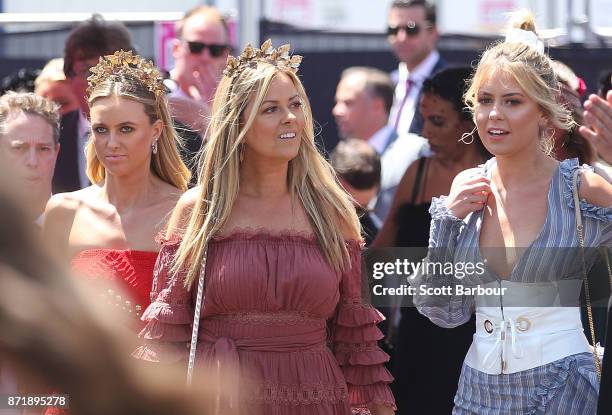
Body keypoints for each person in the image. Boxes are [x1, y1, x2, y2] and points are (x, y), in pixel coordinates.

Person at [135, 40, 396, 415]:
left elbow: (356, 340)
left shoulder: (332, 210)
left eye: (295, 105)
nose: (289, 117)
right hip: (222, 398)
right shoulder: (200, 211)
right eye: (270, 109)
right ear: (238, 123)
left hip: (315, 398)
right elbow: (166, 336)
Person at [410, 11, 611, 414]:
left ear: (543, 111)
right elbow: (444, 313)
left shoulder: (581, 187)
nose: (494, 114)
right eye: (485, 100)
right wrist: (446, 222)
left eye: (512, 101)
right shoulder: (466, 190)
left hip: (563, 389)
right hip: (476, 395)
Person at [43, 50, 190, 330]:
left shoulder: (183, 212)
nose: (111, 143)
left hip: (162, 371)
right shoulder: (65, 211)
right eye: (101, 129)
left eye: (126, 129)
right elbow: (49, 318)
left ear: (156, 131)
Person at [373, 67, 489, 414]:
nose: (425, 132)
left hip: (472, 335)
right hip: (413, 331)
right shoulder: (416, 173)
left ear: (469, 125)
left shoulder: (494, 176)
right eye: (423, 119)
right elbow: (384, 246)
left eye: (437, 121)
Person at [332, 66, 429, 221]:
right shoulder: (337, 161)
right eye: (337, 102)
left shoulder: (415, 152)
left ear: (377, 106)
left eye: (348, 102)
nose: (337, 110)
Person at [53, 14, 134, 193]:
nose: (100, 81)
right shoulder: (51, 135)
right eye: (88, 71)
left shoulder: (157, 134)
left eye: (110, 70)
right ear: (69, 78)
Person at [165, 5, 232, 176]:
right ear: (176, 49)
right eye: (196, 47)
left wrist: (212, 115)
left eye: (215, 50)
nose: (205, 57)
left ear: (225, 56)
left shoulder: (236, 105)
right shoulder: (154, 95)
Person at [386, 0, 446, 135]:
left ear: (433, 32)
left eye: (411, 29)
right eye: (393, 29)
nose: (401, 37)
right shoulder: (389, 83)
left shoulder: (451, 86)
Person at [0, 92, 60, 225]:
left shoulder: (81, 228)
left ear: (56, 153)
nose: (32, 162)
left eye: (43, 149)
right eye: (19, 148)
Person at [330, 138, 382, 246]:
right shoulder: (305, 221)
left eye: (360, 210)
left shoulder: (375, 235)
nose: (355, 219)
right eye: (350, 208)